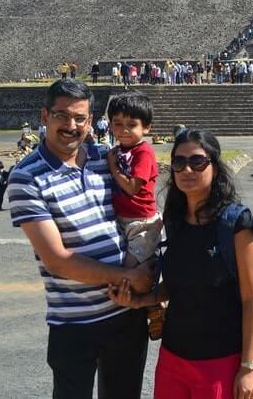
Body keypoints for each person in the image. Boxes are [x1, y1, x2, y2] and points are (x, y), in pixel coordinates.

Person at [8, 79, 153, 398]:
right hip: (74, 322)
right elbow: (58, 260)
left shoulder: (106, 159)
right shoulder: (26, 178)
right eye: (62, 116)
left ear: (91, 121)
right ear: (44, 116)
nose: (70, 126)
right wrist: (130, 275)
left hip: (126, 314)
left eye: (80, 118)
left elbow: (143, 206)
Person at [108, 128, 253, 399]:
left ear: (214, 166)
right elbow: (180, 284)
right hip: (172, 359)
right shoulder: (174, 220)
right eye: (179, 162)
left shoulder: (237, 224)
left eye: (197, 161)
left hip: (220, 361)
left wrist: (248, 368)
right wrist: (140, 301)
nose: (187, 169)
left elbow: (252, 300)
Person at [106, 91, 163, 268]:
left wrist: (113, 167)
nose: (124, 130)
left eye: (131, 125)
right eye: (118, 124)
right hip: (122, 218)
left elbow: (132, 188)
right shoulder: (119, 150)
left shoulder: (143, 152)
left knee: (130, 269)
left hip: (142, 223)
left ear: (146, 127)